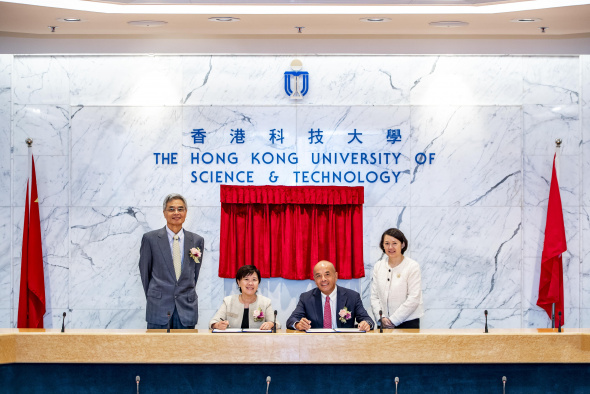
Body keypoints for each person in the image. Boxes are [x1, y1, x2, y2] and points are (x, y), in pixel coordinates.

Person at [139, 193, 205, 329]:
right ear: (164, 213)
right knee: (157, 349)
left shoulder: (197, 240)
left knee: (185, 350)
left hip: (186, 309)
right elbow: (145, 273)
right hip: (158, 308)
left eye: (180, 209)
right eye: (171, 209)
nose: (176, 213)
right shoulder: (150, 239)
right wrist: (155, 296)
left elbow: (194, 274)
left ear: (186, 212)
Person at [286, 260, 374, 331]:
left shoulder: (352, 297)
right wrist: (298, 324)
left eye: (327, 274)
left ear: (336, 276)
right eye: (318, 276)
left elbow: (367, 320)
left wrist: (366, 324)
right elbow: (291, 320)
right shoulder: (306, 298)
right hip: (316, 344)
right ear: (315, 280)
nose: (323, 279)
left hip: (344, 344)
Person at [370, 228, 423, 329]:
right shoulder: (378, 266)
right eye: (387, 243)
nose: (390, 247)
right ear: (383, 245)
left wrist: (393, 320)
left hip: (408, 322)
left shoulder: (412, 266)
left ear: (402, 245)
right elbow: (374, 296)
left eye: (394, 243)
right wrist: (382, 318)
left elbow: (414, 298)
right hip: (384, 323)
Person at [209, 265, 277, 330]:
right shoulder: (228, 301)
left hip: (258, 340)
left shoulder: (265, 302)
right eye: (246, 279)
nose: (250, 283)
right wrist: (218, 325)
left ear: (258, 283)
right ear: (238, 282)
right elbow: (213, 322)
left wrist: (271, 324)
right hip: (232, 340)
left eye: (254, 279)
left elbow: (276, 323)